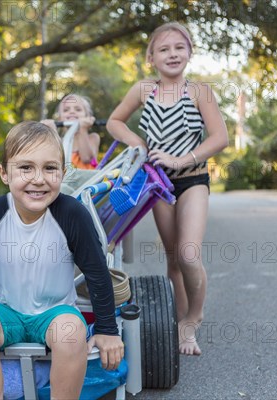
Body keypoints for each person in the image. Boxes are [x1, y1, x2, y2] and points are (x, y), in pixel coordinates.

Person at [0, 121, 124, 398]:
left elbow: (97, 273)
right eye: (25, 168)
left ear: (63, 173)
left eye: (50, 168)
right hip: (7, 311)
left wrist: (107, 330)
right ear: (4, 173)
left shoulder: (72, 214)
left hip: (55, 313)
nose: (38, 178)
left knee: (71, 332)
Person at [107, 22, 229, 356]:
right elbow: (114, 121)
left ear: (189, 52)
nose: (172, 53)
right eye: (163, 48)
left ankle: (194, 316)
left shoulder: (200, 91)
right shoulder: (143, 90)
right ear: (151, 57)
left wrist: (181, 159)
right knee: (174, 259)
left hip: (192, 180)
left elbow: (221, 138)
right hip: (158, 185)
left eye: (179, 47)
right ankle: (180, 323)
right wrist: (138, 143)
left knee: (189, 253)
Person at [41, 94, 101, 169]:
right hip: (64, 179)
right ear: (60, 118)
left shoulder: (93, 138)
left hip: (89, 180)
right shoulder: (60, 141)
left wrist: (83, 129)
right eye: (66, 110)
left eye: (78, 109)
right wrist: (52, 132)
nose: (72, 112)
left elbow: (86, 158)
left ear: (87, 116)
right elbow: (56, 161)